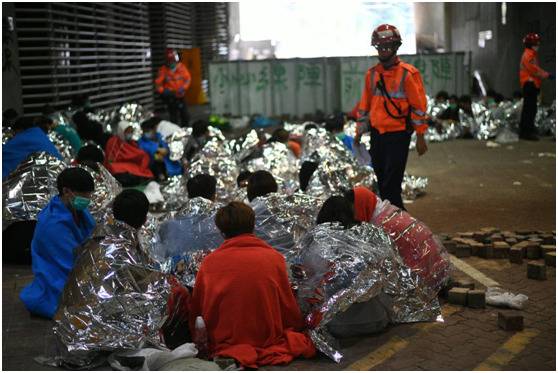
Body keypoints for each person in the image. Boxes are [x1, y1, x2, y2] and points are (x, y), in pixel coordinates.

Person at [189, 202, 316, 367]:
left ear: (221, 231)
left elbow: (198, 312)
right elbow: (287, 308)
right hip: (267, 338)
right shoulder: (274, 258)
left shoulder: (209, 263)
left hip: (224, 340)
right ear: (253, 225)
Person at [354, 24, 428, 210]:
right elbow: (364, 106)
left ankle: (397, 224)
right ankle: (393, 221)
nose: (383, 51)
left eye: (387, 47)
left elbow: (419, 107)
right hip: (377, 135)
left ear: (396, 47)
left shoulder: (408, 74)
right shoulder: (371, 75)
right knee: (381, 180)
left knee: (391, 184)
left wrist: (420, 136)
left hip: (399, 135)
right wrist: (359, 132)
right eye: (380, 47)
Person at [19, 168, 96, 319]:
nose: (87, 199)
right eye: (84, 195)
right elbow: (70, 265)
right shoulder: (52, 225)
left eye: (89, 195)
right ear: (67, 191)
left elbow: (93, 235)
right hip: (59, 278)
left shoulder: (76, 209)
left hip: (78, 265)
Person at [519, 32, 553, 141]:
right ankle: (526, 132)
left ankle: (527, 130)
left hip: (531, 84)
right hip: (530, 84)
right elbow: (534, 70)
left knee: (530, 108)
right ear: (532, 44)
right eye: (537, 43)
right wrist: (547, 75)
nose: (538, 46)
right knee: (530, 109)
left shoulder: (530, 54)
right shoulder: (529, 55)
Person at [104, 121, 154, 187]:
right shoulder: (113, 142)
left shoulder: (132, 142)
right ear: (122, 131)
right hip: (117, 166)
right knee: (114, 168)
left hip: (130, 165)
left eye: (131, 132)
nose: (130, 134)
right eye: (127, 132)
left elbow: (137, 153)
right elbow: (110, 159)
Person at [155, 48, 191, 127]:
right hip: (171, 97)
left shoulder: (181, 67)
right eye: (170, 61)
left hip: (181, 96)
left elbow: (187, 79)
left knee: (185, 115)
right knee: (173, 116)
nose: (172, 63)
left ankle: (185, 130)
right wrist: (163, 91)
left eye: (173, 61)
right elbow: (158, 83)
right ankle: (175, 132)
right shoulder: (163, 70)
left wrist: (184, 88)